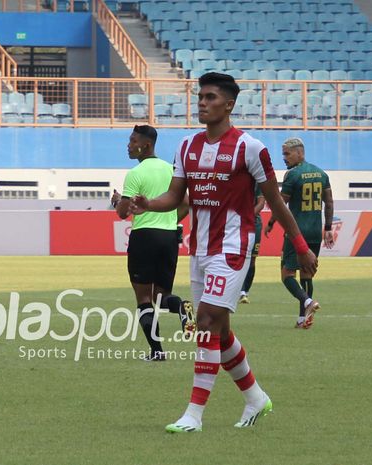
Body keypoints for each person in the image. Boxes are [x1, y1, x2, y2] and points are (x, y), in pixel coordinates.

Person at [129, 72, 318, 432]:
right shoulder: (186, 146)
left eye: (211, 97)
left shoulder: (250, 148)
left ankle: (194, 415)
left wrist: (300, 246)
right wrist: (148, 204)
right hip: (199, 248)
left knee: (204, 322)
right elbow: (176, 196)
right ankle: (256, 398)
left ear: (229, 104)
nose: (202, 102)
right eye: (200, 96)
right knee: (221, 330)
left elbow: (276, 202)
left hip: (233, 247)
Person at [111, 125, 194, 362]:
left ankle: (157, 351)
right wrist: (168, 220)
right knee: (162, 295)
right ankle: (181, 307)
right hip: (169, 237)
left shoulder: (135, 173)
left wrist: (117, 200)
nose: (128, 145)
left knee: (144, 298)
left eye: (132, 140)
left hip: (144, 236)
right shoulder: (171, 170)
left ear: (145, 144)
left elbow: (122, 213)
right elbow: (187, 204)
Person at [264, 137, 334, 329]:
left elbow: (281, 203)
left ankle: (307, 302)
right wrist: (328, 228)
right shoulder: (321, 174)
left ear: (299, 152)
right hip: (314, 231)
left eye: (287, 153)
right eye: (283, 154)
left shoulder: (292, 175)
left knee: (287, 274)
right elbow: (329, 202)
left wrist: (270, 222)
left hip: (297, 232)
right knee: (307, 273)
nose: (284, 158)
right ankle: (303, 318)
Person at [238, 184, 265, 304]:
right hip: (235, 223)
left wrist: (248, 216)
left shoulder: (256, 181)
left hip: (254, 224)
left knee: (252, 259)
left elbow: (261, 203)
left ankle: (244, 292)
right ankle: (234, 289)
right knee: (236, 256)